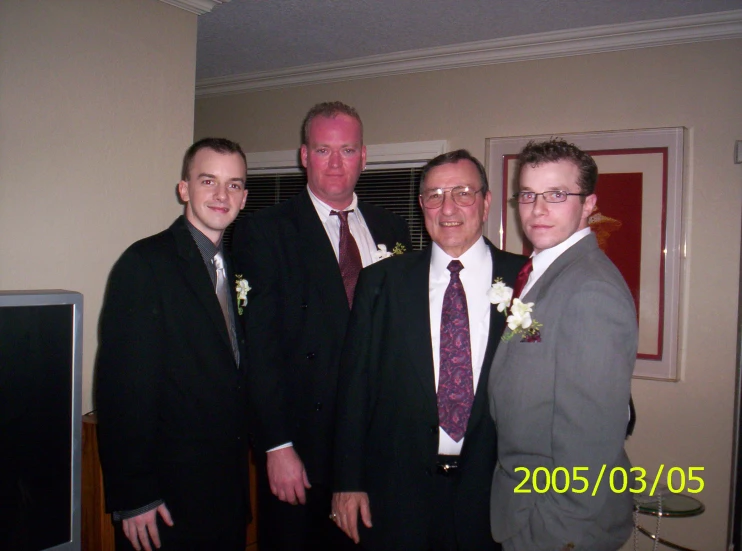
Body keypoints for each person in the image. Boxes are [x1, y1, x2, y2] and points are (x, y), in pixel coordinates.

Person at [231, 101, 412, 551]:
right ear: (303, 156)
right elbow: (259, 348)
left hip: (381, 441)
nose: (335, 163)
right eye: (323, 150)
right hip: (304, 446)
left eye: (347, 150)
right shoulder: (265, 231)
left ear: (364, 157)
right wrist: (275, 445)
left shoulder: (393, 226)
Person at [331, 150, 526, 551]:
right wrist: (347, 483)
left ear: (486, 202)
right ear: (422, 205)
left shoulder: (528, 278)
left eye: (463, 193)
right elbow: (355, 389)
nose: (448, 207)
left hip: (495, 493)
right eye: (434, 195)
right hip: (396, 493)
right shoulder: (381, 282)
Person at [96, 138, 250, 551]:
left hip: (226, 496)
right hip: (163, 502)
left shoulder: (239, 267)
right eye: (208, 181)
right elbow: (122, 390)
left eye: (234, 185)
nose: (222, 195)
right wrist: (134, 496)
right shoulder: (144, 265)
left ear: (244, 197)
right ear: (184, 189)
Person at [487, 138, 637, 551]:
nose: (537, 210)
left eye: (557, 195)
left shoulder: (590, 288)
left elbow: (590, 437)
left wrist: (554, 532)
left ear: (588, 204)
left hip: (555, 524)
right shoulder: (543, 270)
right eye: (529, 195)